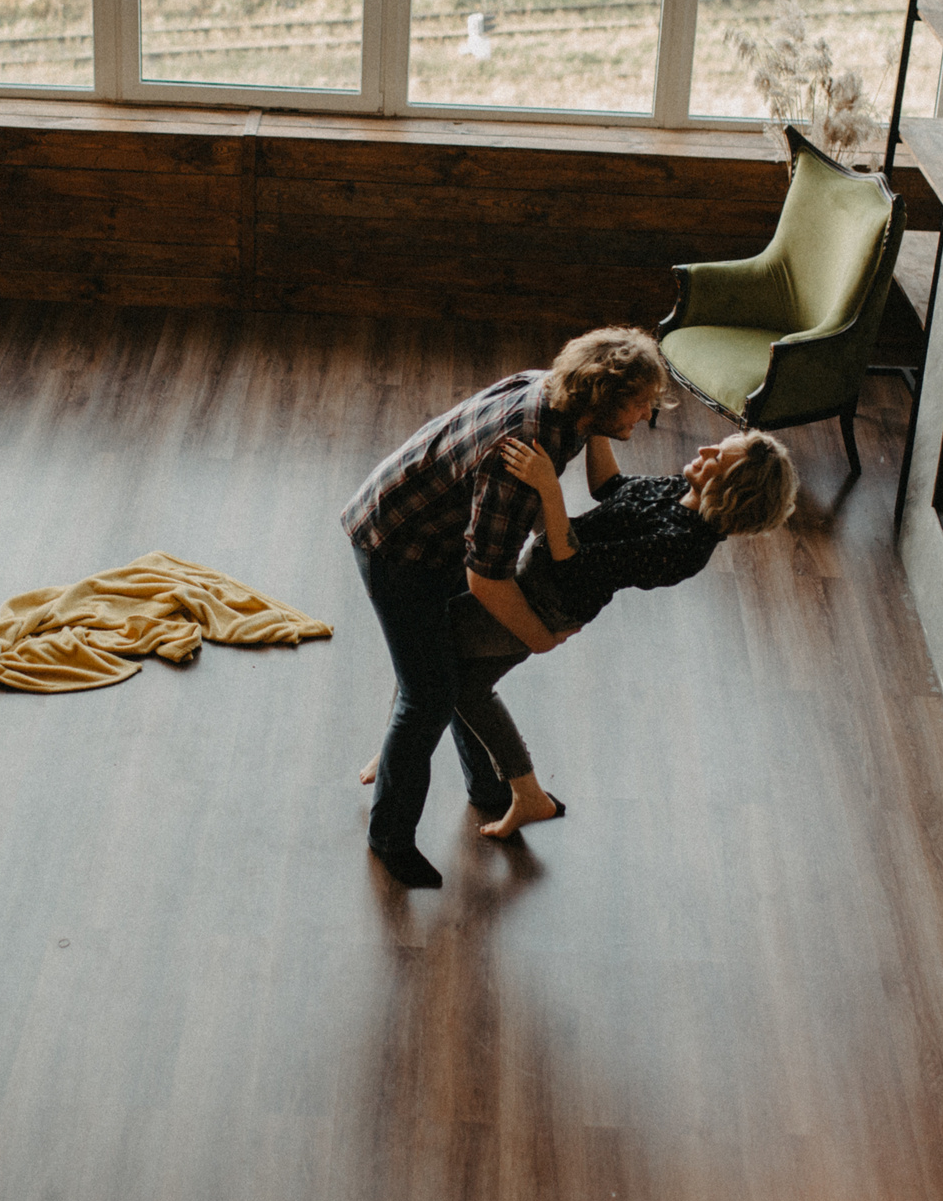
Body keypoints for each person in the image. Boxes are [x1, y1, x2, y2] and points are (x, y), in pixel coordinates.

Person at [341, 328, 672, 889]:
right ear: (601, 399)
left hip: (434, 529)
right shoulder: (523, 452)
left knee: (457, 664)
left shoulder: (559, 401)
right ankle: (389, 837)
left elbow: (580, 495)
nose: (648, 413)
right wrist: (540, 636)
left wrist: (601, 424)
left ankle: (489, 788)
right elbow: (488, 577)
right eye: (639, 403)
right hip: (398, 546)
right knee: (428, 696)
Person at [442, 427, 799, 839]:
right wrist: (598, 426)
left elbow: (572, 563)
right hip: (541, 580)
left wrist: (548, 488)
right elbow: (610, 487)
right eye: (717, 445)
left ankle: (412, 743)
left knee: (435, 644)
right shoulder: (679, 487)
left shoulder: (683, 545)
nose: (704, 449)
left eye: (718, 458)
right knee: (467, 684)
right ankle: (520, 791)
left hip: (549, 603)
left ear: (731, 492)